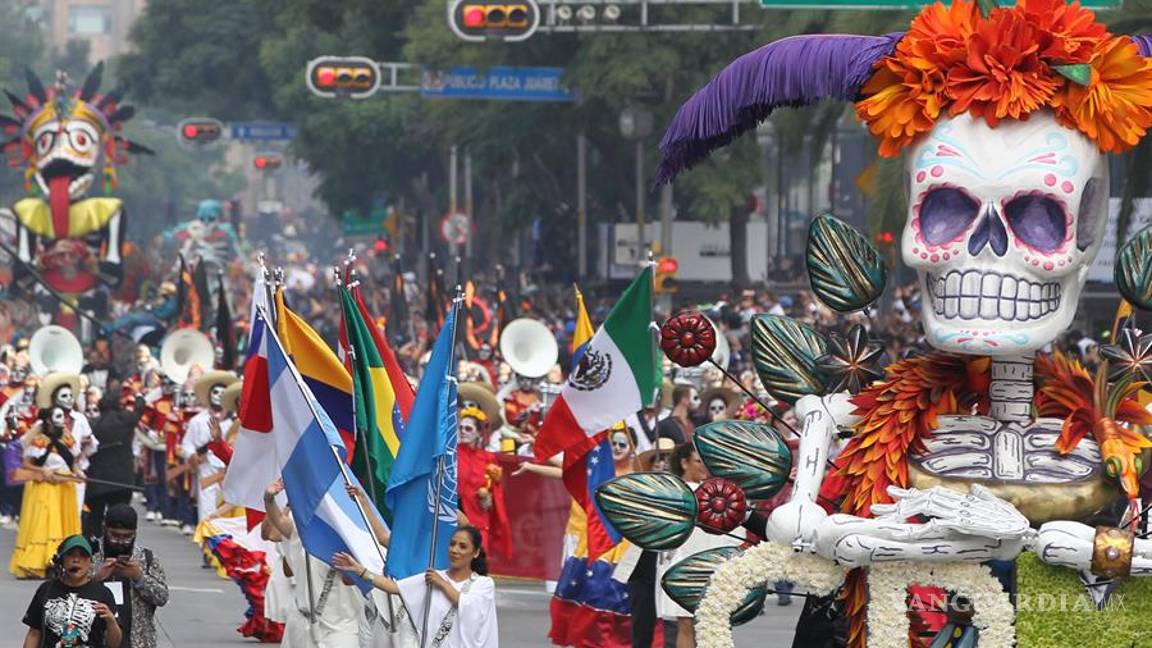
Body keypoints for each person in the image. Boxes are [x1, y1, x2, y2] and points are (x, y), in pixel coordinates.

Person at [332, 526, 499, 648]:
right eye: (452, 544)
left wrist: (442, 584)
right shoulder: (434, 576)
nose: (455, 550)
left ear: (475, 552)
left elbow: (469, 606)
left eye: (462, 546)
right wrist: (360, 570)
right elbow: (394, 587)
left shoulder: (483, 584)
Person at [10, 406, 84, 578]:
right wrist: (43, 471)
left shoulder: (68, 438)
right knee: (46, 523)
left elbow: (73, 463)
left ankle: (63, 563)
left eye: (64, 417)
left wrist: (78, 472)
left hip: (65, 488)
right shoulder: (40, 440)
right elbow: (26, 464)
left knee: (62, 524)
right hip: (44, 487)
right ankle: (41, 562)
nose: (63, 420)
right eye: (59, 416)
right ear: (49, 420)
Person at [22, 534, 123, 648]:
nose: (76, 560)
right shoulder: (46, 590)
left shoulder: (103, 593)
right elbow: (34, 633)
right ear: (61, 560)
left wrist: (111, 620)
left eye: (83, 556)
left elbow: (115, 644)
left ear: (90, 561)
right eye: (70, 555)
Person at [92, 504, 169, 648]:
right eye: (114, 536)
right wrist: (96, 578)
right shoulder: (90, 555)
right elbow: (69, 591)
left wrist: (139, 577)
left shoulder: (147, 558)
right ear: (104, 529)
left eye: (127, 537)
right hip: (95, 639)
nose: (120, 542)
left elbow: (162, 597)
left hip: (137, 641)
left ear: (135, 533)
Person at [84, 392, 144, 539]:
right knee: (119, 518)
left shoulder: (92, 424)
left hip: (97, 479)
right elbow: (140, 409)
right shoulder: (127, 419)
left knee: (95, 517)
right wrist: (139, 396)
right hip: (121, 480)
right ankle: (118, 547)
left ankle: (95, 547)